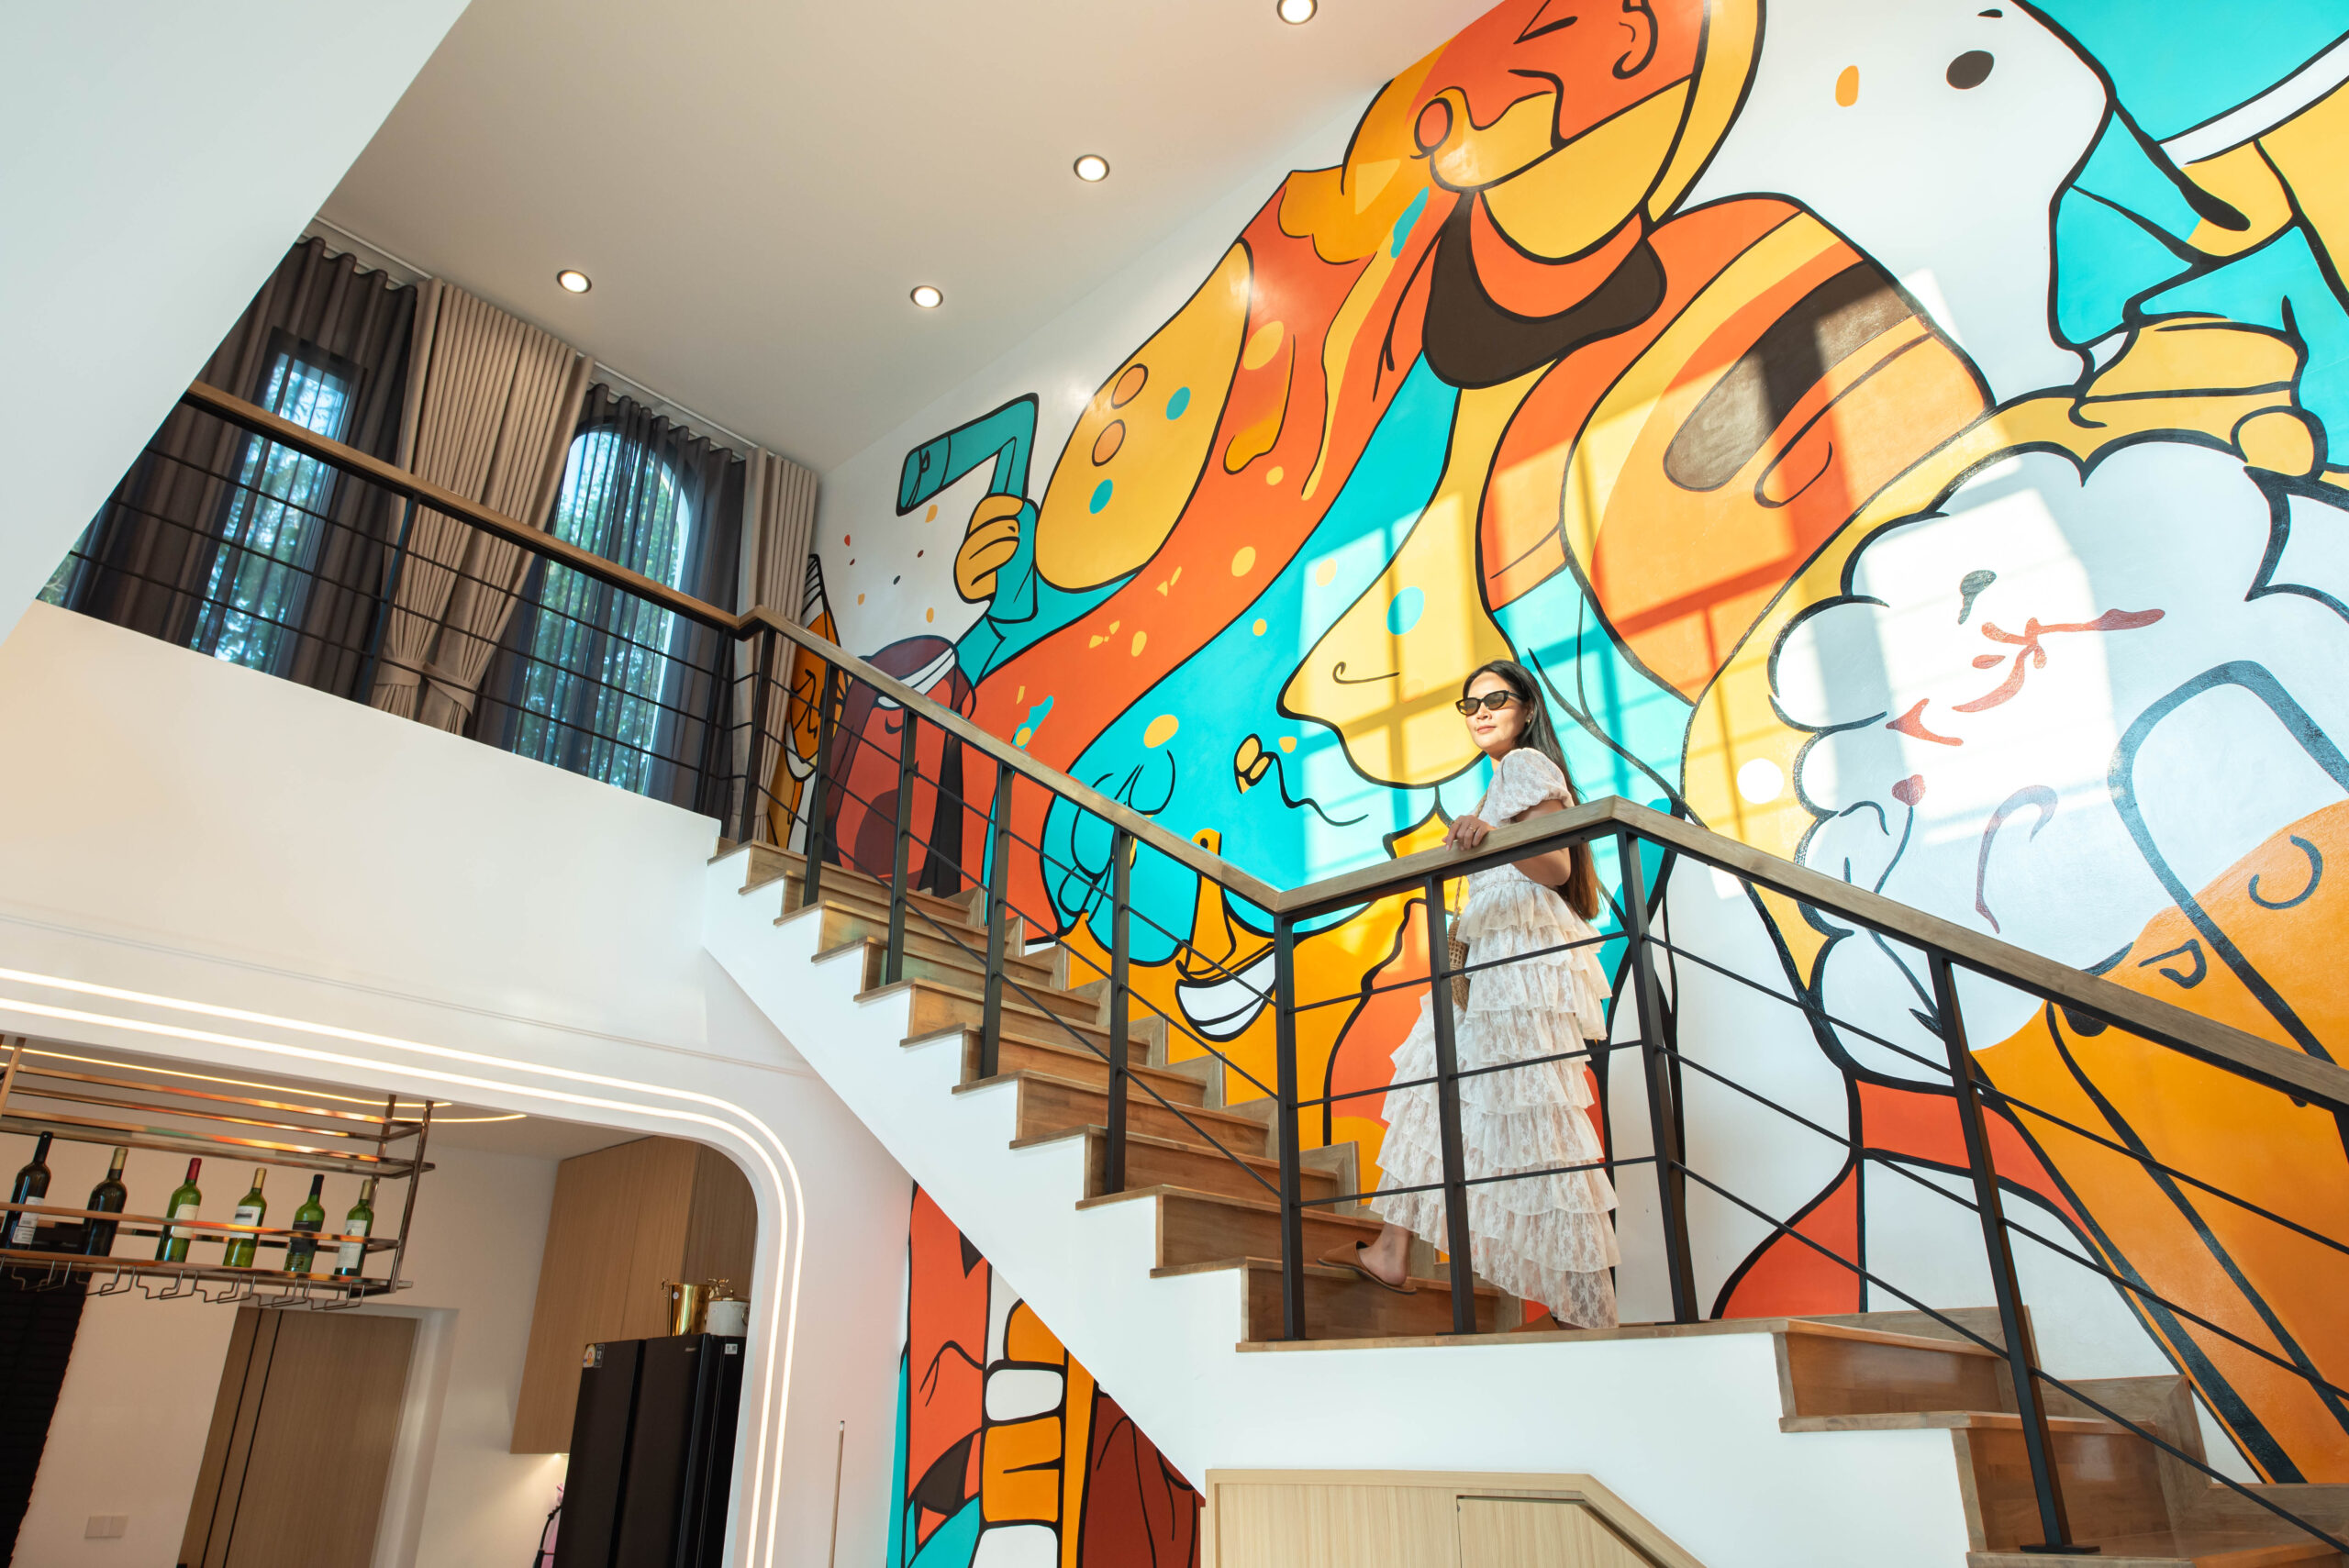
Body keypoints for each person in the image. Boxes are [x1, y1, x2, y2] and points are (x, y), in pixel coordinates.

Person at [1321, 659, 1620, 1331]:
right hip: (1492, 966)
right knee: (1437, 1091)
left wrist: (1493, 837)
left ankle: (1584, 1306)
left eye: (1496, 699)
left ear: (1527, 708)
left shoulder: (1524, 765)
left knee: (1533, 1123)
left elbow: (1555, 867)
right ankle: (1394, 1248)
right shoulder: (1503, 777)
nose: (1481, 712)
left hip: (1515, 970)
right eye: (1470, 703)